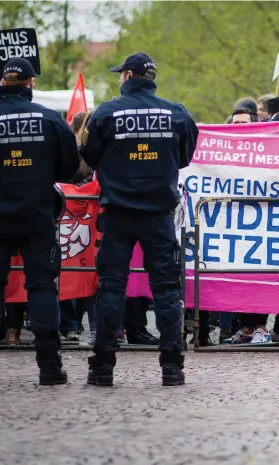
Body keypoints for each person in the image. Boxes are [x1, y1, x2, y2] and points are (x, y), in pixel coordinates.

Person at [0, 57, 80, 385]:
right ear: (31, 84)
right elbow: (68, 170)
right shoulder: (51, 120)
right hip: (37, 216)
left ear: (1, 82)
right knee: (41, 287)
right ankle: (49, 367)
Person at [80, 53, 198, 387]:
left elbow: (89, 156)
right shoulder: (176, 112)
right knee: (166, 291)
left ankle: (103, 366)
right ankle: (172, 367)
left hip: (117, 214)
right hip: (158, 215)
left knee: (111, 288)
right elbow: (185, 156)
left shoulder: (105, 112)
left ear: (128, 75)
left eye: (121, 74)